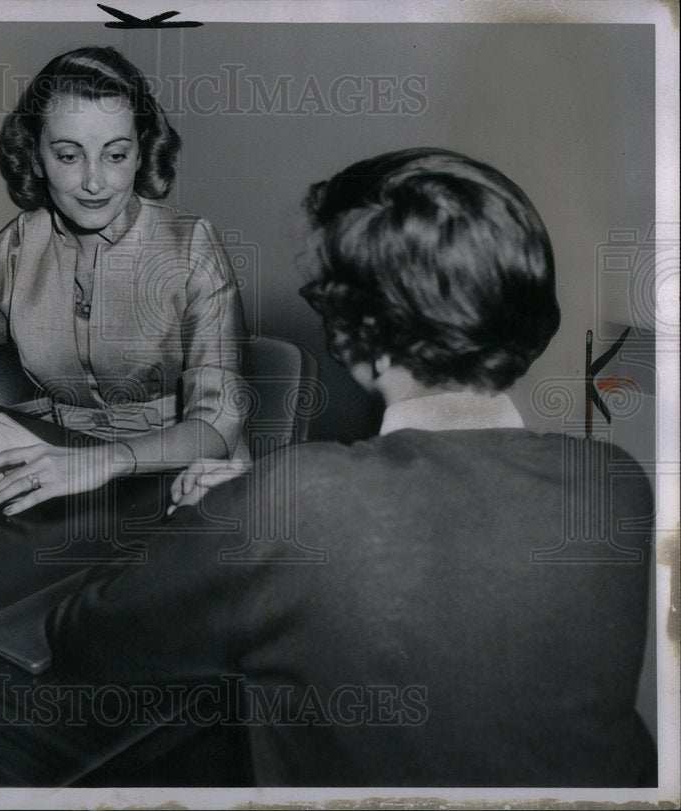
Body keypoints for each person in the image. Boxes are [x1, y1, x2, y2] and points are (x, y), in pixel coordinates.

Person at [47, 149, 656, 786]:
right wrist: (267, 508)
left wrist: (230, 516)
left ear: (355, 338)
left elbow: (86, 642)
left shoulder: (295, 505)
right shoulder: (613, 483)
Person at [0, 46, 248, 515]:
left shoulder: (192, 247)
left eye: (115, 154)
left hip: (181, 474)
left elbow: (217, 426)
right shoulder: (20, 247)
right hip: (59, 460)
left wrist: (101, 462)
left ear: (141, 152)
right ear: (37, 158)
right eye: (68, 156)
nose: (94, 182)